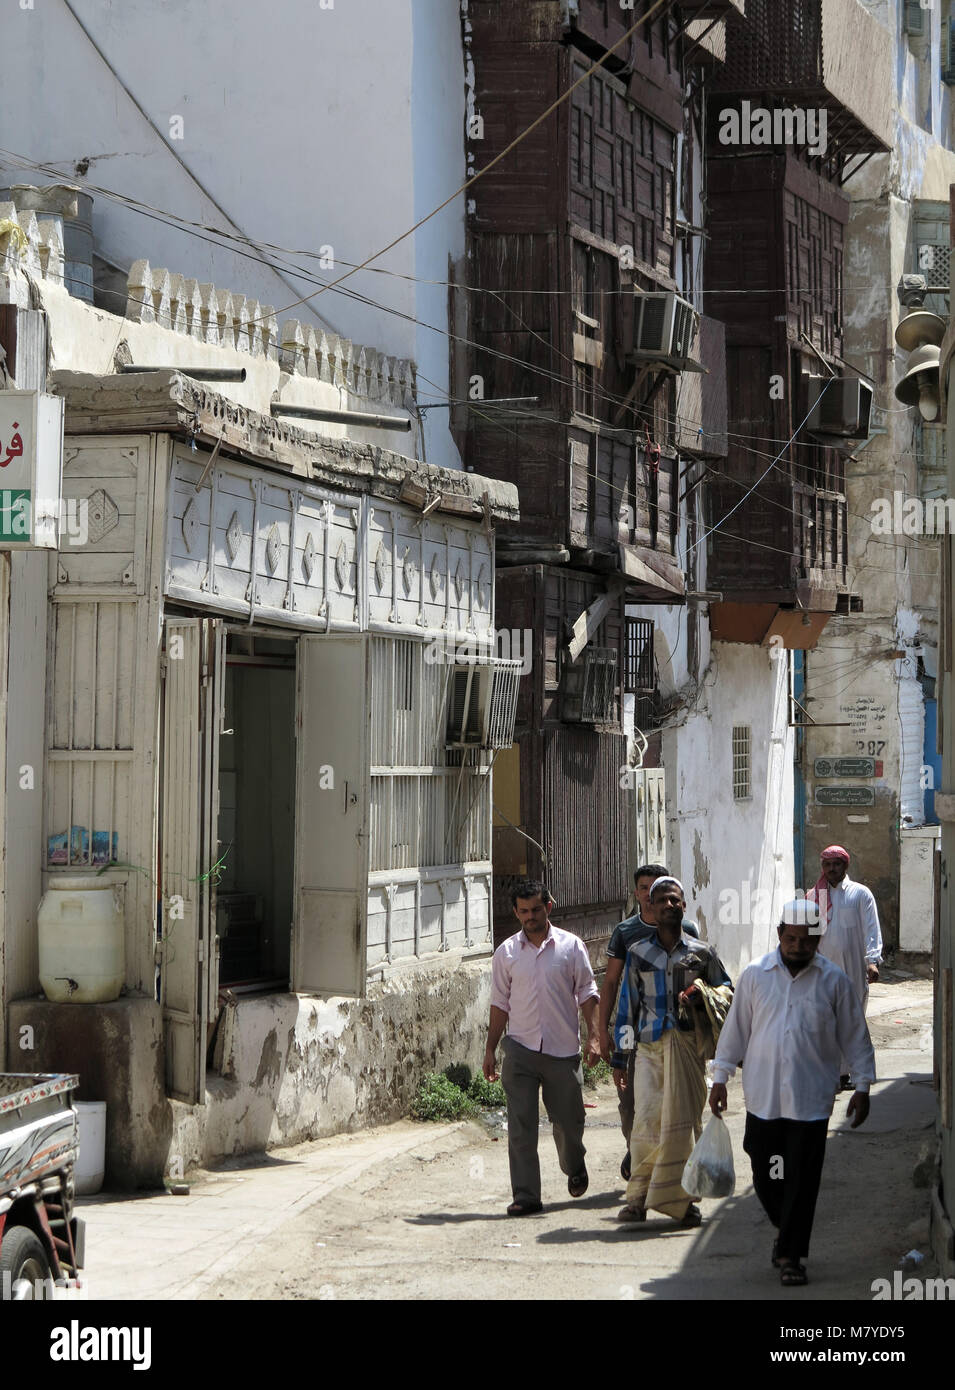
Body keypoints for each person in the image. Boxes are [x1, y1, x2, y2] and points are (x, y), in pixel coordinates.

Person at [709, 899, 876, 1288]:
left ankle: (791, 1256)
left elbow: (855, 1036)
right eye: (791, 938)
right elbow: (736, 1030)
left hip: (811, 1101)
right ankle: (787, 1230)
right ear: (780, 935)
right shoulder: (755, 975)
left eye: (807, 940)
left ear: (818, 940)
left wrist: (863, 1086)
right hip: (764, 1099)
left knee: (802, 1179)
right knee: (767, 1172)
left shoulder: (834, 981)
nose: (798, 946)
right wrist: (720, 1077)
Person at [614, 877, 732, 1227]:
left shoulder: (702, 953)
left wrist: (701, 991)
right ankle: (636, 1201)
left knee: (684, 1124)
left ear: (684, 906)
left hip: (688, 1050)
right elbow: (626, 1009)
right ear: (649, 907)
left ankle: (684, 1201)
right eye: (661, 900)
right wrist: (620, 1060)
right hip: (649, 1050)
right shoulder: (638, 954)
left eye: (674, 900)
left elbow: (727, 989)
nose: (668, 906)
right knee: (647, 1122)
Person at [484, 879, 599, 1216]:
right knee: (521, 1126)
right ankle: (526, 1196)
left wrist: (594, 1036)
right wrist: (491, 1049)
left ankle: (574, 1165)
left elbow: (588, 994)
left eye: (535, 909)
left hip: (562, 1053)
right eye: (523, 911)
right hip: (520, 1050)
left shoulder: (571, 947)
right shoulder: (506, 954)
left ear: (548, 906)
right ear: (516, 912)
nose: (530, 916)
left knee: (569, 1123)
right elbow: (499, 1004)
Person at [589, 864, 700, 1181]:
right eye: (645, 889)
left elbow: (709, 982)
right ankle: (637, 1148)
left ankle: (658, 1177)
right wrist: (603, 1034)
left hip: (678, 1037)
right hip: (637, 1036)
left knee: (674, 1109)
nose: (656, 899)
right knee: (630, 1106)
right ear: (638, 893)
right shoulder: (627, 934)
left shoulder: (688, 933)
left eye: (663, 892)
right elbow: (613, 987)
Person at [808, 844, 882, 1089]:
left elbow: (871, 929)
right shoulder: (814, 896)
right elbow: (806, 932)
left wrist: (872, 961)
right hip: (823, 968)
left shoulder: (861, 894)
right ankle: (834, 1073)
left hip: (853, 968)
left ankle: (853, 1071)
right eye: (827, 865)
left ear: (845, 865)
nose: (831, 869)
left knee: (852, 1020)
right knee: (826, 1020)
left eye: (836, 864)